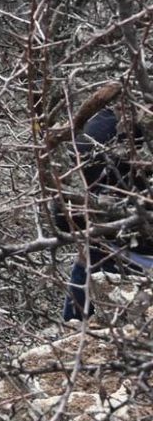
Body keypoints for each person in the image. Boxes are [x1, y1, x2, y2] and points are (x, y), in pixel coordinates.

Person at [59, 101, 149, 321]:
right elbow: (66, 211)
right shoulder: (103, 134)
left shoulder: (100, 127)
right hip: (113, 263)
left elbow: (64, 215)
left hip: (104, 257)